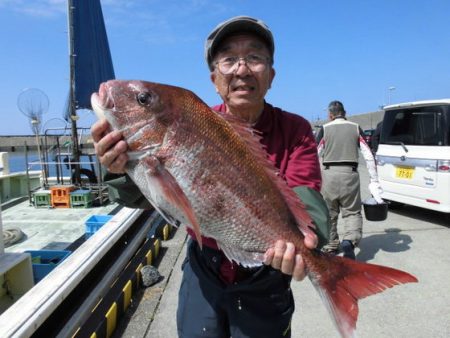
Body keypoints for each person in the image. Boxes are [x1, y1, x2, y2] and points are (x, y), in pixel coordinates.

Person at [91, 16, 330, 338]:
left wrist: (311, 244)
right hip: (203, 269)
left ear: (271, 75)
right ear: (214, 78)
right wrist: (120, 170)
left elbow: (308, 199)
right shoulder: (192, 121)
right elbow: (152, 199)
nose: (242, 70)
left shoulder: (296, 129)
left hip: (268, 276)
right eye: (229, 59)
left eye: (255, 58)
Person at [316, 100, 383, 259]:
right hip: (350, 175)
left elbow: (314, 154)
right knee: (352, 212)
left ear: (330, 115)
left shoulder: (325, 129)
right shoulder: (355, 127)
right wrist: (374, 180)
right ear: (345, 113)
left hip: (329, 176)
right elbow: (368, 155)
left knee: (329, 213)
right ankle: (349, 242)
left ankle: (331, 245)